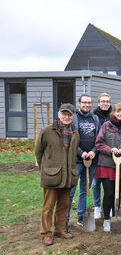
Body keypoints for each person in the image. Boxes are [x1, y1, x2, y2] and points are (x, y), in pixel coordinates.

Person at [35, 103, 79, 246]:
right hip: (51, 175)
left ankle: (60, 229)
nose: (66, 117)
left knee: (64, 204)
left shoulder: (75, 133)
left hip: (68, 175)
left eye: (69, 114)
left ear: (73, 117)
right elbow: (38, 152)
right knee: (48, 206)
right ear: (58, 115)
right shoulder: (47, 131)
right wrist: (46, 169)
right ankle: (46, 233)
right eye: (64, 114)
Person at [95, 103, 121, 232]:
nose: (120, 114)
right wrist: (110, 149)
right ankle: (106, 218)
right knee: (109, 193)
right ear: (114, 113)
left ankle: (114, 215)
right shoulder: (106, 125)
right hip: (107, 164)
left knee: (117, 193)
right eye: (118, 111)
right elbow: (99, 143)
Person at [66, 94, 101, 230]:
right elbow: (70, 139)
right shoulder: (73, 118)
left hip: (91, 161)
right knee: (71, 191)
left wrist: (94, 151)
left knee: (85, 190)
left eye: (89, 103)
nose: (87, 105)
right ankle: (65, 219)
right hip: (76, 161)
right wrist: (81, 152)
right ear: (79, 103)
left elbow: (99, 138)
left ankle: (81, 217)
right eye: (84, 103)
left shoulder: (95, 118)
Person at [92, 92, 113, 219]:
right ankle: (97, 207)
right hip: (96, 154)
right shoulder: (94, 116)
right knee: (96, 183)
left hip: (110, 154)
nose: (105, 103)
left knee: (108, 184)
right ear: (99, 103)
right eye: (103, 101)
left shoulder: (113, 116)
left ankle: (108, 206)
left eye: (107, 101)